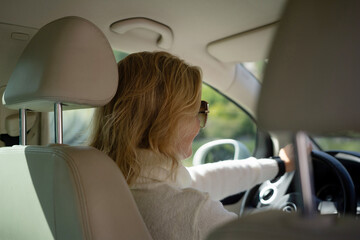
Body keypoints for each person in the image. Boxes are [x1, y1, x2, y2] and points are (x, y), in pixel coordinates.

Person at [90, 51, 294, 240]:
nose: (199, 123)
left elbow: (203, 178)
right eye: (197, 110)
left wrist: (279, 165)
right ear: (166, 120)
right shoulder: (191, 214)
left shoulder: (106, 183)